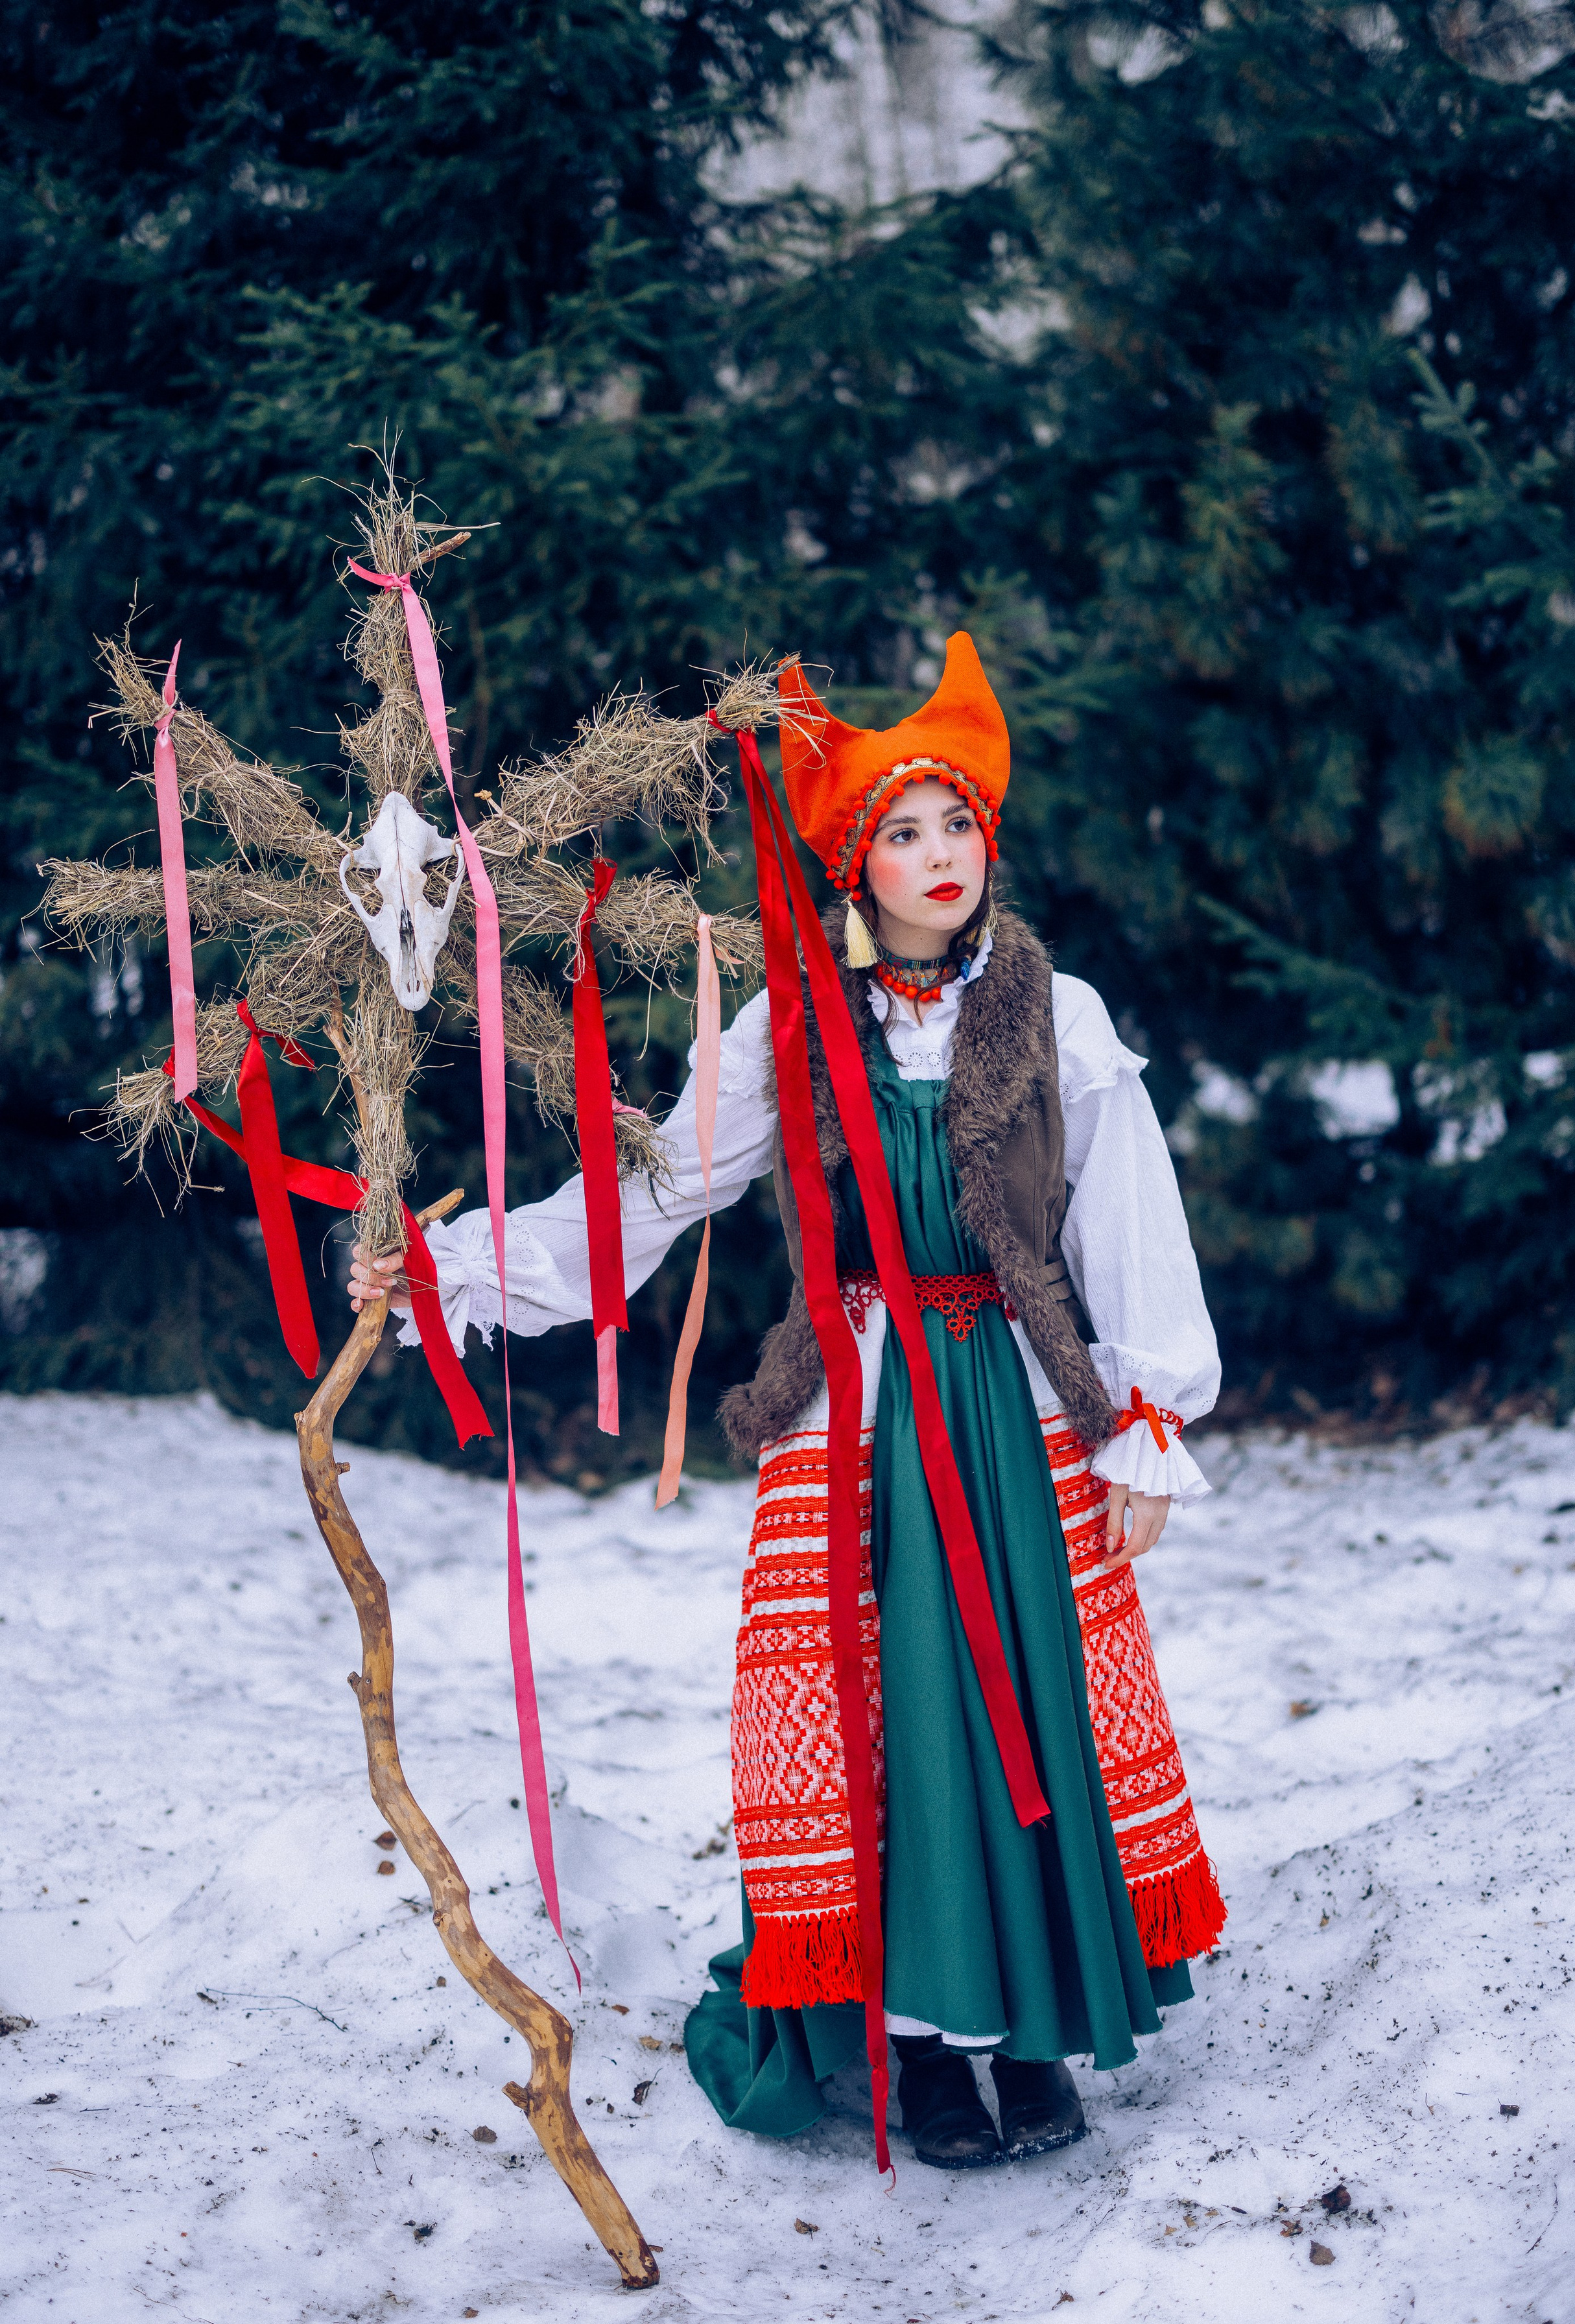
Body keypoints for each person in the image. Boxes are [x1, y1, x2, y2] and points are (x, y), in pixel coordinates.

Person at [349, 634, 1226, 2170]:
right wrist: (452, 1272)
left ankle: (1021, 2031)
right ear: (851, 858)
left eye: (955, 823)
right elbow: (657, 1192)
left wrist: (1143, 1416)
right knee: (877, 1722)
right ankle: (908, 2042)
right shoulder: (790, 1026)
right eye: (901, 829)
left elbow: (1127, 1221)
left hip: (1015, 1415)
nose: (936, 855)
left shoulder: (1054, 1011)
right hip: (862, 1415)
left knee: (1024, 1707)